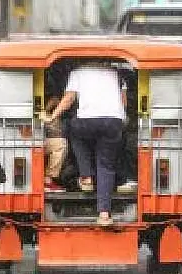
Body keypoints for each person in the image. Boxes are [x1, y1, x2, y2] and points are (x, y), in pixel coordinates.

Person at [45, 61, 127, 226]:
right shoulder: (117, 73)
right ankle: (104, 215)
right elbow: (124, 102)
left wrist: (52, 116)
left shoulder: (77, 72)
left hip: (86, 121)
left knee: (74, 133)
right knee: (106, 166)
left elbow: (68, 99)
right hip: (113, 121)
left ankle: (86, 177)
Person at [42, 96, 69, 192]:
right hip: (27, 143)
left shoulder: (57, 115)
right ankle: (47, 180)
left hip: (41, 142)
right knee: (60, 144)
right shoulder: (43, 112)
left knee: (60, 143)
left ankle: (48, 180)